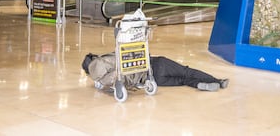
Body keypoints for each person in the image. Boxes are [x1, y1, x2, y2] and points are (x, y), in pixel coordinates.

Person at [82, 53, 229, 92]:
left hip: (152, 80)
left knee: (182, 80)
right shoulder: (110, 58)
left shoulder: (102, 79)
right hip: (156, 64)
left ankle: (200, 85)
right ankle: (217, 81)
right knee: (186, 72)